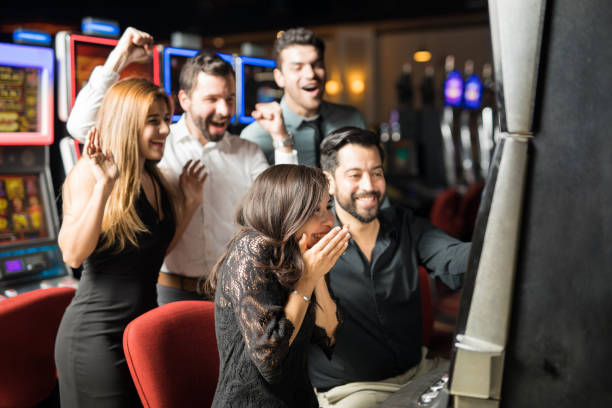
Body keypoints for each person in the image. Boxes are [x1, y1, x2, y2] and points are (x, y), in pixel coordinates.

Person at [66, 27, 298, 305]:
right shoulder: (158, 143)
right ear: (184, 101)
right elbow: (80, 127)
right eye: (211, 99)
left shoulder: (248, 152)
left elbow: (285, 211)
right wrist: (119, 58)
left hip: (237, 291)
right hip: (170, 291)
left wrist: (282, 141)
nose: (224, 110)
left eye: (229, 99)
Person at [55, 78, 206, 407]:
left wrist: (190, 205)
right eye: (153, 121)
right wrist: (103, 188)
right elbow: (73, 255)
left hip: (140, 333)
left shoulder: (156, 177)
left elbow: (153, 255)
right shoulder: (89, 174)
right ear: (126, 122)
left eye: (167, 119)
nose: (166, 129)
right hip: (95, 337)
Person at [310, 127, 471, 408]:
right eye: (355, 175)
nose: (369, 186)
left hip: (420, 374)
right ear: (329, 182)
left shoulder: (406, 225)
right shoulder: (311, 242)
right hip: (352, 391)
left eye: (376, 172)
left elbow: (454, 257)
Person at [206, 164, 350, 407]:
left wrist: (317, 275)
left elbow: (329, 338)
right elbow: (269, 361)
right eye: (315, 210)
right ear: (286, 211)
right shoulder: (250, 249)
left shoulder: (304, 254)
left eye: (327, 206)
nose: (328, 219)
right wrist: (307, 281)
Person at [241, 27, 367, 166]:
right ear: (279, 77)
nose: (310, 74)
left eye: (317, 64)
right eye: (297, 67)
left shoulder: (353, 119)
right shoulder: (255, 137)